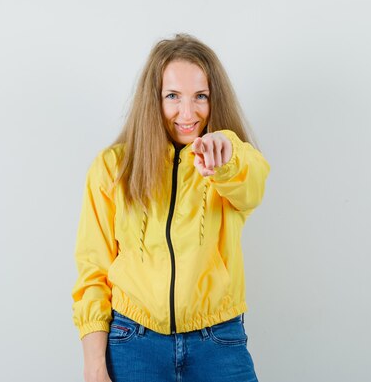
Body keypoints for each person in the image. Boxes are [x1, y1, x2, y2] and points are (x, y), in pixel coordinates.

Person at [71, 33, 271, 382]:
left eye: (201, 97)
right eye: (173, 96)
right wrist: (93, 364)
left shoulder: (231, 160)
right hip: (133, 342)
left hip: (218, 342)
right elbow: (93, 270)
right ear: (154, 99)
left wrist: (225, 155)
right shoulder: (111, 168)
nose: (187, 112)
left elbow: (252, 185)